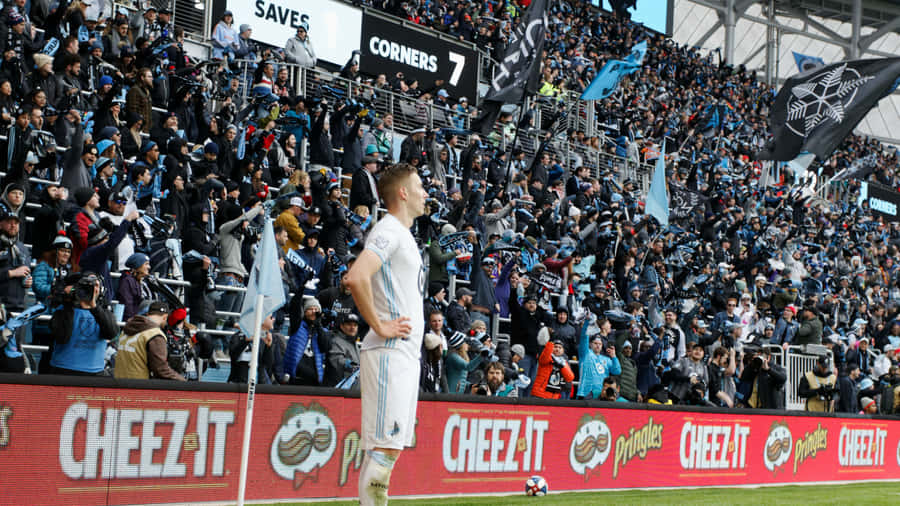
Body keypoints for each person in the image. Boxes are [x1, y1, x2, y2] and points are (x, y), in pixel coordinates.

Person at [344, 163, 426, 506]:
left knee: (387, 449)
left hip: (404, 353)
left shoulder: (402, 234)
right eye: (419, 187)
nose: (425, 193)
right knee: (384, 449)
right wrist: (379, 325)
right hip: (390, 350)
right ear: (403, 193)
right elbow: (355, 276)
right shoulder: (389, 230)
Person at [49, 273, 118, 375]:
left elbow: (111, 333)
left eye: (95, 286)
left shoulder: (104, 311)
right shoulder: (63, 309)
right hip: (64, 369)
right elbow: (62, 337)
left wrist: (94, 307)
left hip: (94, 371)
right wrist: (68, 301)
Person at [114, 300, 185, 380]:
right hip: (139, 385)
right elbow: (161, 370)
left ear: (148, 314)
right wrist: (182, 380)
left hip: (119, 383)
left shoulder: (126, 329)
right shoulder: (155, 335)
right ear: (165, 317)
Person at [326, 313, 361, 387]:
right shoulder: (336, 341)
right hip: (339, 387)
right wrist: (351, 365)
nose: (352, 327)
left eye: (355, 325)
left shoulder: (354, 343)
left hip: (353, 385)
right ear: (341, 326)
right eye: (349, 324)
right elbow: (337, 359)